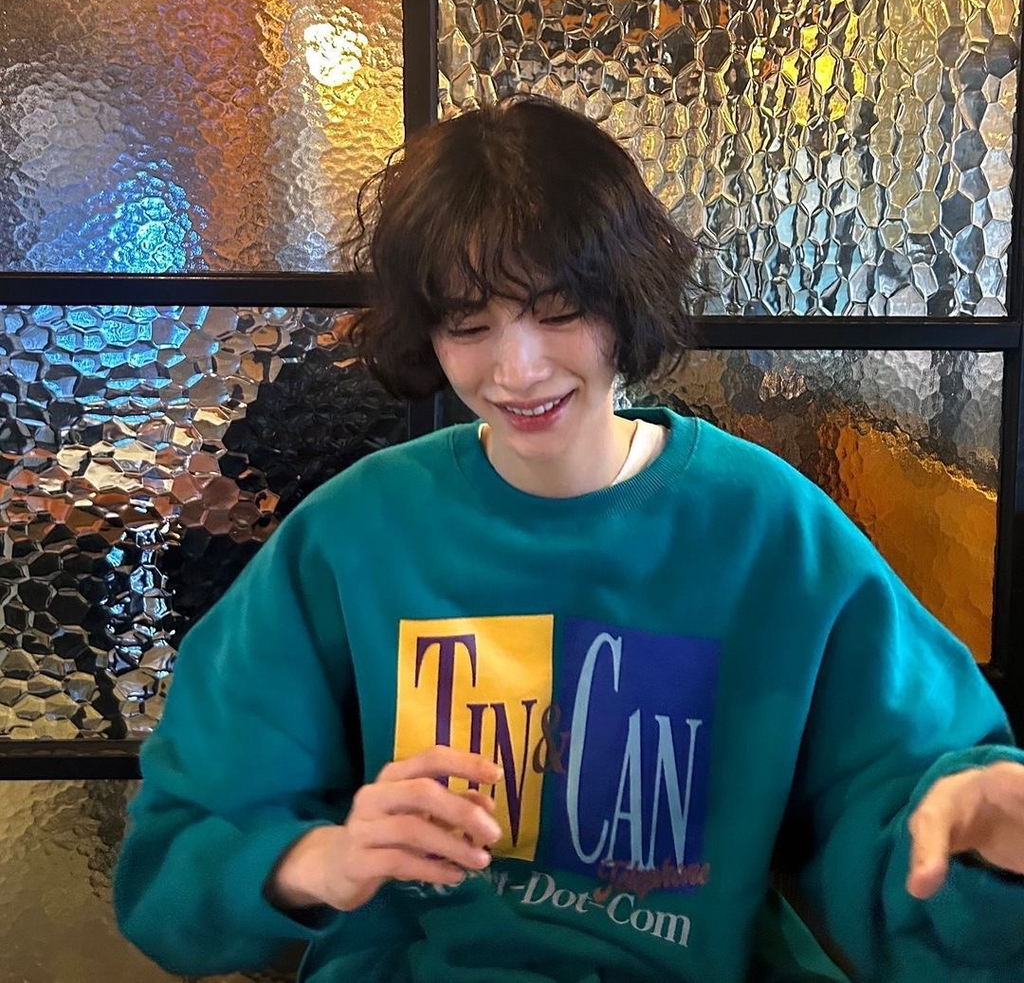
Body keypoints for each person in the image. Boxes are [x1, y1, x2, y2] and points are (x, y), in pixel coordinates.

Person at [114, 96, 1024, 982]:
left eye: (557, 312)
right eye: (468, 324)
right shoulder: (353, 534)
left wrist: (979, 837)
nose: (518, 369)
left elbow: (915, 826)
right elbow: (171, 865)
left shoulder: (771, 531)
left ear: (626, 300)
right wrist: (320, 860)